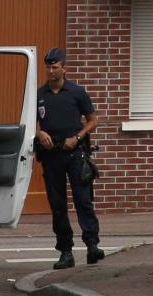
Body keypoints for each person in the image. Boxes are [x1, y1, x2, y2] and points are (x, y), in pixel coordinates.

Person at [36, 47, 103, 270]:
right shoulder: (39, 95)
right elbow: (30, 120)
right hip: (51, 155)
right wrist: (39, 132)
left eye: (55, 67)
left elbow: (93, 120)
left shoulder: (77, 92)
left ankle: (92, 245)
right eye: (48, 67)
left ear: (64, 68)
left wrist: (77, 136)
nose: (51, 71)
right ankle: (65, 251)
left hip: (74, 153)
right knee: (58, 205)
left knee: (83, 200)